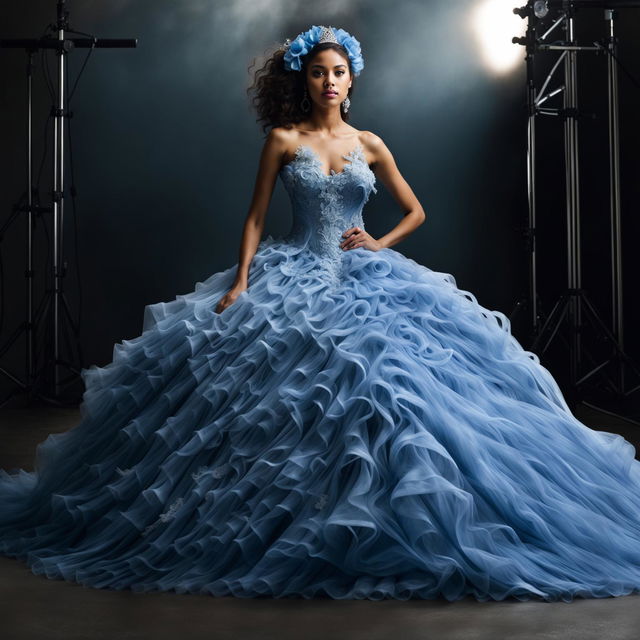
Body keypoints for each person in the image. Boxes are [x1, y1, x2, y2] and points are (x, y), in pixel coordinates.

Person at [2, 24, 640, 604]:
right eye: (317, 72)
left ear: (351, 79)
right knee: (285, 403)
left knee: (395, 394)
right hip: (296, 273)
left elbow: (414, 210)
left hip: (369, 275)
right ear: (302, 78)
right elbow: (254, 217)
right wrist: (243, 281)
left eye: (338, 73)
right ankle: (297, 521)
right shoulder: (282, 140)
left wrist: (378, 242)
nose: (328, 82)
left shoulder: (369, 141)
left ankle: (392, 523)